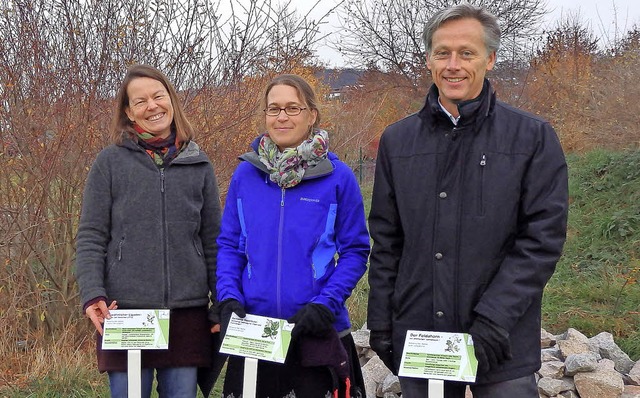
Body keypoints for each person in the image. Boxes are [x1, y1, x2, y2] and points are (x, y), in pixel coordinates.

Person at [367, 4, 569, 398]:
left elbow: (541, 241)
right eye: (442, 53)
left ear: (490, 59)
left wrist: (494, 318)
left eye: (467, 53)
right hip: (423, 337)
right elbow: (387, 241)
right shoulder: (398, 141)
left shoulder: (531, 138)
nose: (453, 65)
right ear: (428, 59)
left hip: (501, 340)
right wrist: (380, 322)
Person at [216, 74, 370, 398]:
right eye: (274, 109)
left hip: (315, 331)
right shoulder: (246, 174)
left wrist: (325, 305)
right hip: (255, 331)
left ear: (312, 115)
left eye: (292, 108)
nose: (282, 116)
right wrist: (228, 296)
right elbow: (230, 244)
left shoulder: (337, 177)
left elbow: (356, 250)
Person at [75, 64, 223, 398]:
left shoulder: (198, 163)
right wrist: (92, 293)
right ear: (128, 112)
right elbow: (91, 236)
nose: (152, 106)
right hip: (125, 312)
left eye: (158, 96)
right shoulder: (109, 163)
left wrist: (221, 301)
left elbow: (214, 240)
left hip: (187, 315)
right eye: (140, 101)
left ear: (171, 99)